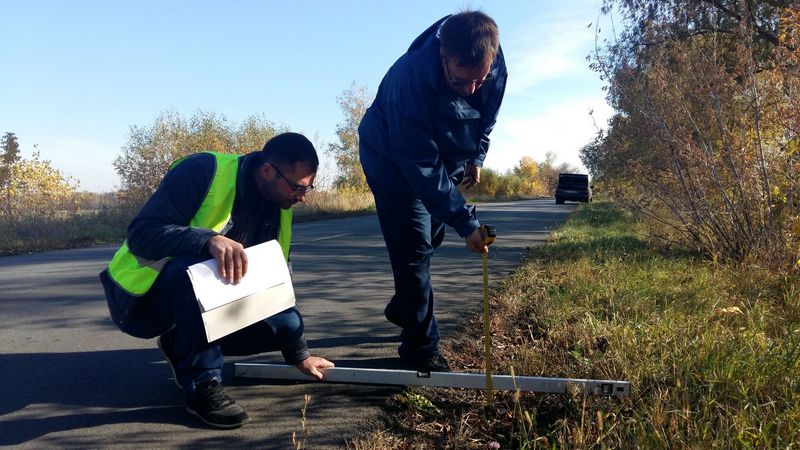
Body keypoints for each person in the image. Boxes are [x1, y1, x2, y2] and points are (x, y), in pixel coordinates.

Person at [99, 132, 334, 429]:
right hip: (140, 301)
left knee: (287, 325)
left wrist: (300, 355)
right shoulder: (203, 170)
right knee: (199, 265)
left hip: (202, 301)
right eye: (298, 187)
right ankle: (202, 384)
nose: (302, 197)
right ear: (267, 171)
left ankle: (179, 343)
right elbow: (141, 235)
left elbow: (275, 283)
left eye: (308, 187)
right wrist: (207, 240)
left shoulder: (279, 208)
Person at [358, 10, 507, 372]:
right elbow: (420, 165)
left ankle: (405, 305)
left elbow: (486, 117)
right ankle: (421, 351)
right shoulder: (408, 80)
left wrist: (477, 156)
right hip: (392, 163)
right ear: (444, 54)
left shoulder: (494, 68)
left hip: (446, 160)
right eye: (461, 82)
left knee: (431, 237)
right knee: (413, 250)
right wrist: (466, 221)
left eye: (479, 80)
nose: (471, 89)